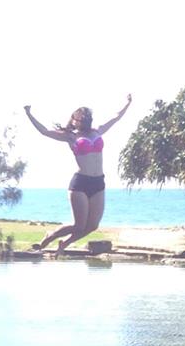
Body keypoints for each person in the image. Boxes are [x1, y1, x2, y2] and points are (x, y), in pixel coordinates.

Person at [23, 95, 132, 252]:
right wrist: (29, 113)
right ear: (74, 120)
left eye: (86, 118)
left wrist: (127, 103)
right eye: (79, 119)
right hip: (80, 182)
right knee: (79, 225)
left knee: (92, 225)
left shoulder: (98, 131)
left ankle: (65, 243)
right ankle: (50, 236)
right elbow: (44, 131)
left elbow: (116, 117)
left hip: (98, 182)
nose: (83, 121)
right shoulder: (71, 136)